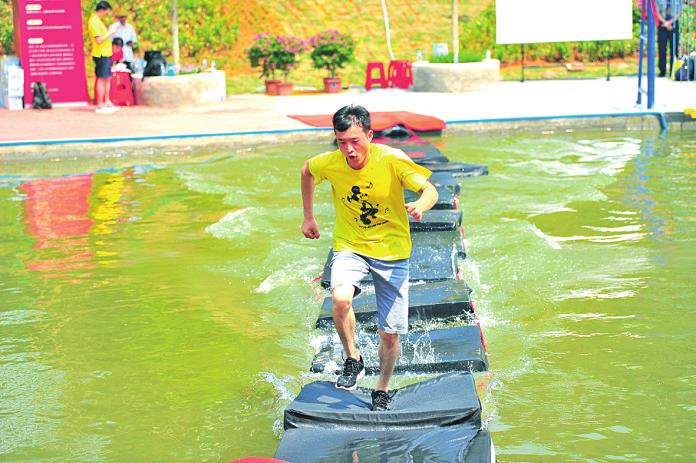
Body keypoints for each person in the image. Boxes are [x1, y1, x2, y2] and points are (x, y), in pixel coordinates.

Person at [300, 105, 439, 411]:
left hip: (392, 251)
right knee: (340, 299)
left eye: (355, 141)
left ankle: (382, 388)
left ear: (370, 135)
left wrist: (421, 205)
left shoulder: (391, 159)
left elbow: (430, 189)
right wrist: (309, 216)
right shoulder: (331, 162)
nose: (349, 150)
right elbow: (307, 170)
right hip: (350, 244)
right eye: (341, 142)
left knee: (389, 333)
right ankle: (353, 358)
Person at [88, 1, 119, 114]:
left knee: (107, 78)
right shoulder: (94, 21)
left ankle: (107, 101)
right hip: (100, 54)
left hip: (106, 53)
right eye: (106, 12)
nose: (106, 15)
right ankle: (100, 103)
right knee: (101, 78)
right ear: (102, 10)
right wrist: (110, 32)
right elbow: (99, 40)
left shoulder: (98, 21)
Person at [656, 0, 681, 77]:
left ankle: (673, 71)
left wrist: (669, 22)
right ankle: (662, 71)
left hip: (674, 24)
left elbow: (679, 13)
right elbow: (657, 12)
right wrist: (665, 22)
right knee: (662, 48)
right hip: (662, 24)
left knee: (674, 48)